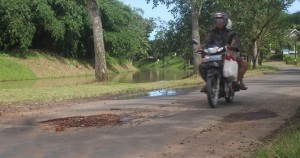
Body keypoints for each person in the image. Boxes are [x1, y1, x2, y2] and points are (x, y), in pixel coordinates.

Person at [199, 12, 248, 92]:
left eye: (220, 20)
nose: (218, 22)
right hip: (213, 54)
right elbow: (206, 42)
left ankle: (235, 82)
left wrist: (232, 47)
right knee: (202, 66)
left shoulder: (231, 33)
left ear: (225, 21)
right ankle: (209, 83)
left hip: (228, 53)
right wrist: (201, 48)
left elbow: (236, 42)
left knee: (244, 63)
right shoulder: (211, 33)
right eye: (216, 21)